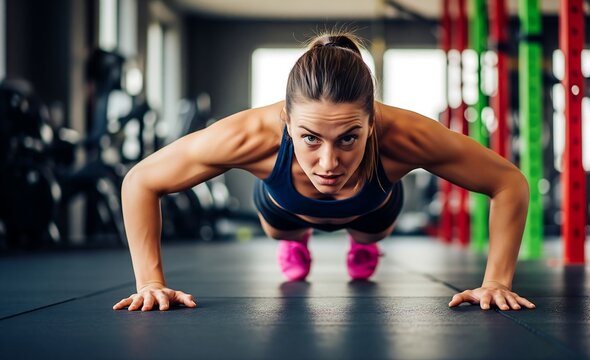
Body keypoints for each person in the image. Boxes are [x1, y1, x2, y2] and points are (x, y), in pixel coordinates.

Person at [113, 31, 536, 313]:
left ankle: (363, 247)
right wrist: (150, 281)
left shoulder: (407, 136)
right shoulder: (248, 135)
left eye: (348, 138)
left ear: (372, 121)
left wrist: (496, 280)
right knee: (283, 231)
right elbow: (140, 181)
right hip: (285, 208)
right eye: (310, 138)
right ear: (285, 119)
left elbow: (508, 182)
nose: (329, 163)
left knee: (370, 233)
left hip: (373, 208)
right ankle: (296, 242)